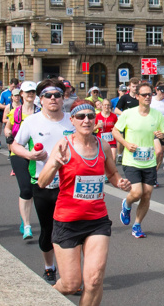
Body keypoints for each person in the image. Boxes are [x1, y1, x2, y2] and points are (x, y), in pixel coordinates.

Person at [38, 99, 131, 303]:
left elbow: (112, 173)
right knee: (71, 285)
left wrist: (119, 182)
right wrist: (54, 164)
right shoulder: (63, 145)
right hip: (67, 221)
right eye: (81, 116)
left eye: (90, 116)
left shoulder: (102, 145)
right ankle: (43, 298)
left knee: (95, 280)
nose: (86, 120)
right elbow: (42, 182)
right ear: (72, 120)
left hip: (97, 220)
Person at [10, 79, 74, 284]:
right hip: (42, 183)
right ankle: (49, 267)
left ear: (63, 98)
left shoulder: (73, 120)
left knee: (68, 230)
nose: (53, 98)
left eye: (57, 95)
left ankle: (69, 274)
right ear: (41, 99)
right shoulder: (31, 121)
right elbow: (15, 146)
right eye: (48, 95)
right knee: (47, 229)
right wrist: (29, 155)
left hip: (70, 184)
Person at [113, 82, 164, 239]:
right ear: (137, 96)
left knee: (147, 194)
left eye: (150, 94)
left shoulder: (157, 115)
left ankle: (137, 224)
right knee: (137, 193)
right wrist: (125, 144)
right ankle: (127, 203)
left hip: (149, 161)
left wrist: (163, 136)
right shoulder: (128, 114)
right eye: (144, 94)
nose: (148, 97)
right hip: (131, 161)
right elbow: (115, 131)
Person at [5, 81, 39, 240]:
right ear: (22, 95)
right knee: (25, 189)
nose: (30, 94)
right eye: (27, 92)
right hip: (18, 153)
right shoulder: (15, 112)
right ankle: (26, 225)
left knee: (35, 189)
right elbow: (7, 127)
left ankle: (24, 213)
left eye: (33, 92)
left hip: (36, 153)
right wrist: (8, 134)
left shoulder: (40, 112)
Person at [96, 99, 118, 172]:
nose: (106, 107)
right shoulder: (97, 116)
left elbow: (118, 127)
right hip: (101, 140)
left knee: (113, 157)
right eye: (105, 105)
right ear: (102, 106)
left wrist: (115, 129)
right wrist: (97, 126)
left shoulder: (114, 116)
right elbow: (91, 129)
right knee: (102, 158)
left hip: (111, 140)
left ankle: (112, 172)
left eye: (108, 105)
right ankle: (103, 173)